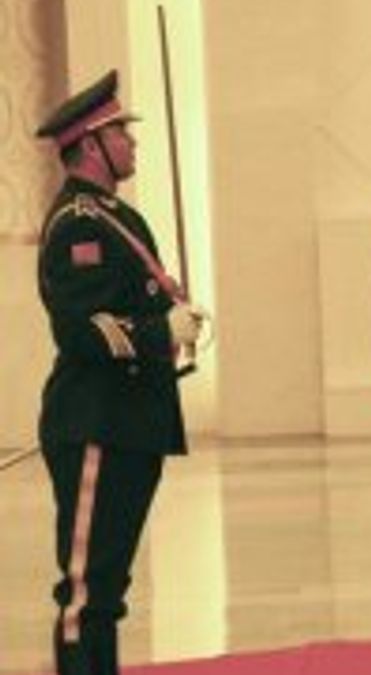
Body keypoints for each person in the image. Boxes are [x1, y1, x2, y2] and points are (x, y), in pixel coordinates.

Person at [34, 70, 204, 675]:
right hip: (96, 422)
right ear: (90, 146)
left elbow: (133, 303)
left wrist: (171, 318)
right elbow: (82, 328)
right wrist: (160, 332)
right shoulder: (78, 222)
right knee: (85, 591)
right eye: (120, 133)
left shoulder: (116, 216)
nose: (132, 143)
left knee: (107, 587)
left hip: (131, 420)